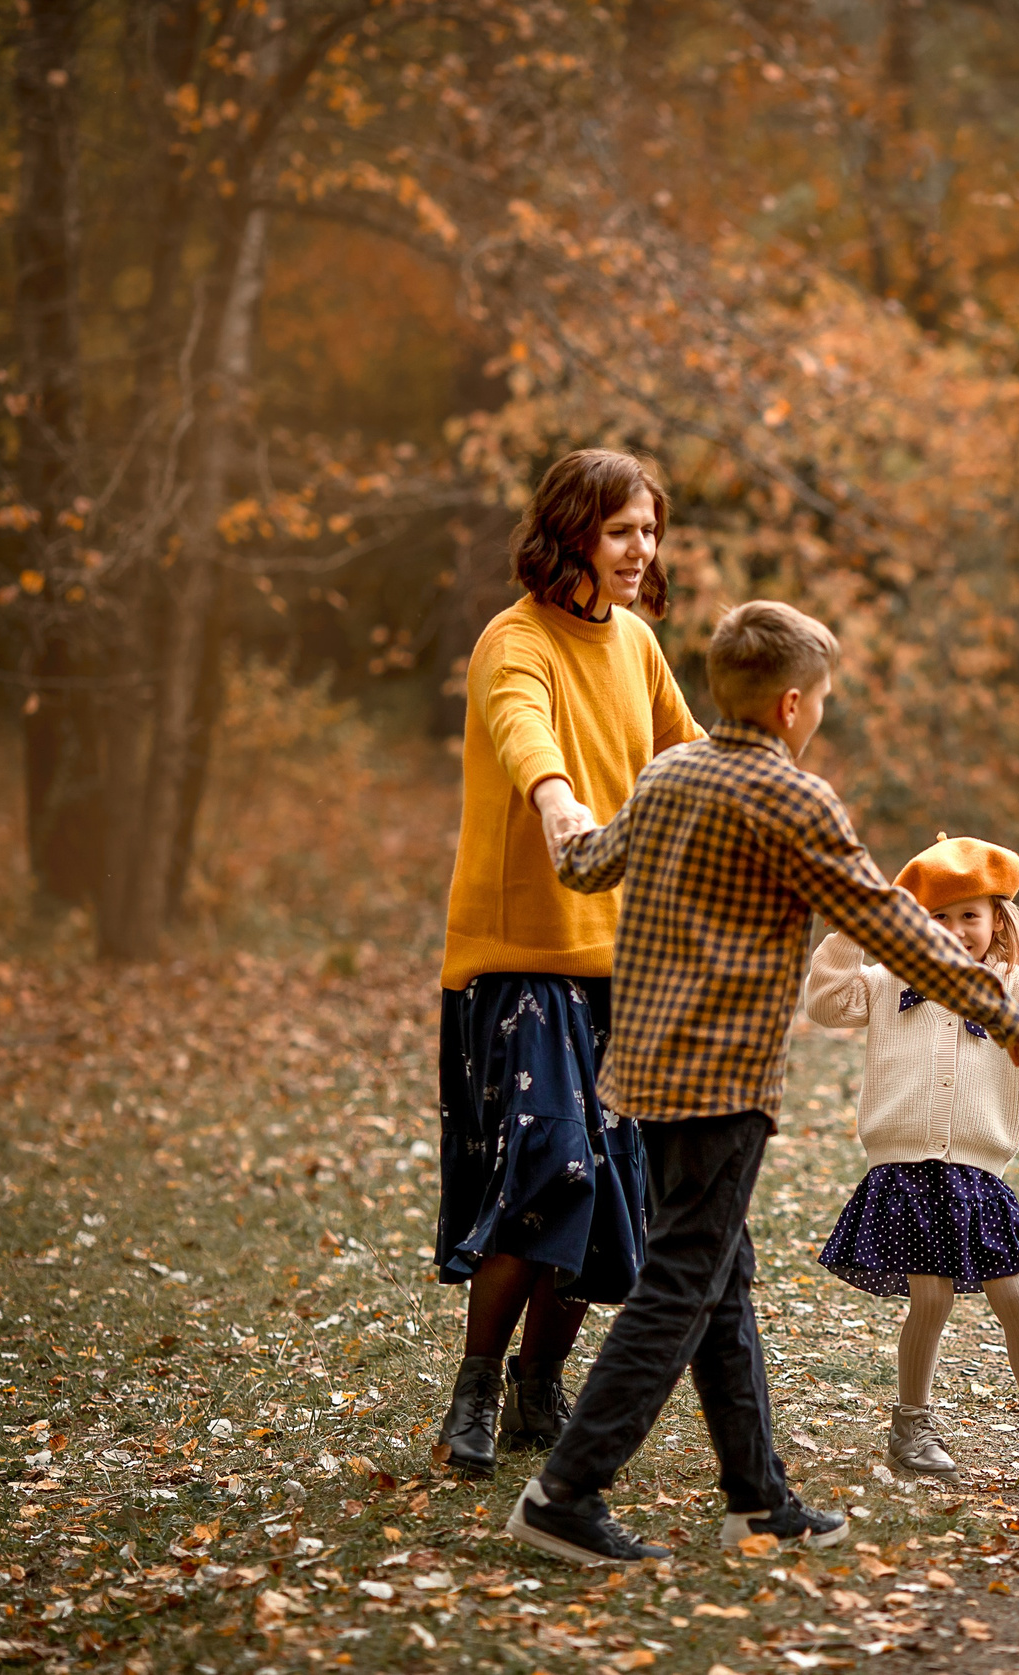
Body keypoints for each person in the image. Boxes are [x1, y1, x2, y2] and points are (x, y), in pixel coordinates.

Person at [505, 601, 1019, 1566]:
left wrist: (559, 806)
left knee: (720, 1274)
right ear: (794, 703)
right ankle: (567, 1490)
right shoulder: (795, 798)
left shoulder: (669, 772)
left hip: (646, 1067)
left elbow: (589, 864)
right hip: (723, 1079)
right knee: (685, 1276)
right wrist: (1012, 1020)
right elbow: (896, 929)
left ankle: (757, 1496)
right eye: (826, 700)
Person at [431, 448, 699, 1479]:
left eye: (651, 531)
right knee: (552, 1172)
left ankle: (541, 1383)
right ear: (573, 531)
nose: (643, 550)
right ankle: (476, 1384)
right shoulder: (515, 641)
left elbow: (689, 749)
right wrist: (556, 802)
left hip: (618, 961)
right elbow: (522, 731)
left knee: (611, 1190)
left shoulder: (635, 644)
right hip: (519, 959)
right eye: (624, 529)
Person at [805, 835, 1019, 1487]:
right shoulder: (886, 982)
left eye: (970, 916)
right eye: (938, 917)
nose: (955, 931)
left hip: (978, 1176)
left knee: (1017, 1295)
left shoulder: (1015, 986)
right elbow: (823, 1002)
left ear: (998, 924)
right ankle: (912, 1424)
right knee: (931, 1300)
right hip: (906, 1170)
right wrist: (848, 931)